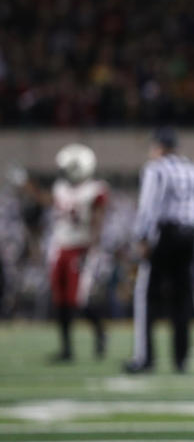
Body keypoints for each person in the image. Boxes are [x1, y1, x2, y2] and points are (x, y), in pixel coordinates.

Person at [124, 127, 194, 373]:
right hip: (190, 234)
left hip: (165, 234)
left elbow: (149, 205)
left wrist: (142, 237)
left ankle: (145, 357)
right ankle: (181, 358)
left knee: (147, 296)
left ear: (159, 146)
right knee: (182, 297)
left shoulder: (156, 169)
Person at [18, 145, 109, 360]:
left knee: (77, 300)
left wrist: (93, 247)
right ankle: (67, 349)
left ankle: (99, 332)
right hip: (60, 247)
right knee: (60, 301)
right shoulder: (61, 188)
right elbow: (46, 199)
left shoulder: (95, 190)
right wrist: (28, 186)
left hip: (80, 248)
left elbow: (97, 221)